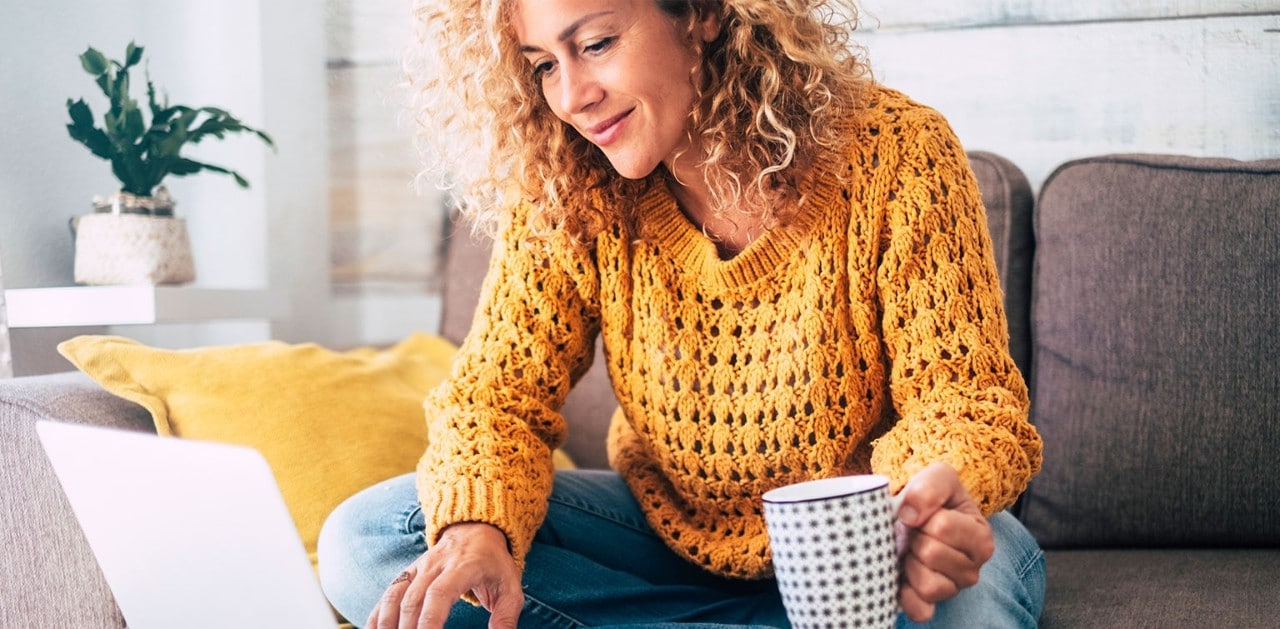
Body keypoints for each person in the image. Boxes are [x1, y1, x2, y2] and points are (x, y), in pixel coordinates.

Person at [317, 0, 1046, 627]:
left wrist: (920, 507)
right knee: (370, 540)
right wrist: (478, 523)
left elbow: (965, 400)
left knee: (975, 586)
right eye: (542, 64)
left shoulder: (898, 154)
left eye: (595, 44)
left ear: (699, 14)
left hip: (863, 546)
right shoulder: (571, 186)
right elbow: (494, 396)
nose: (571, 96)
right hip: (666, 537)